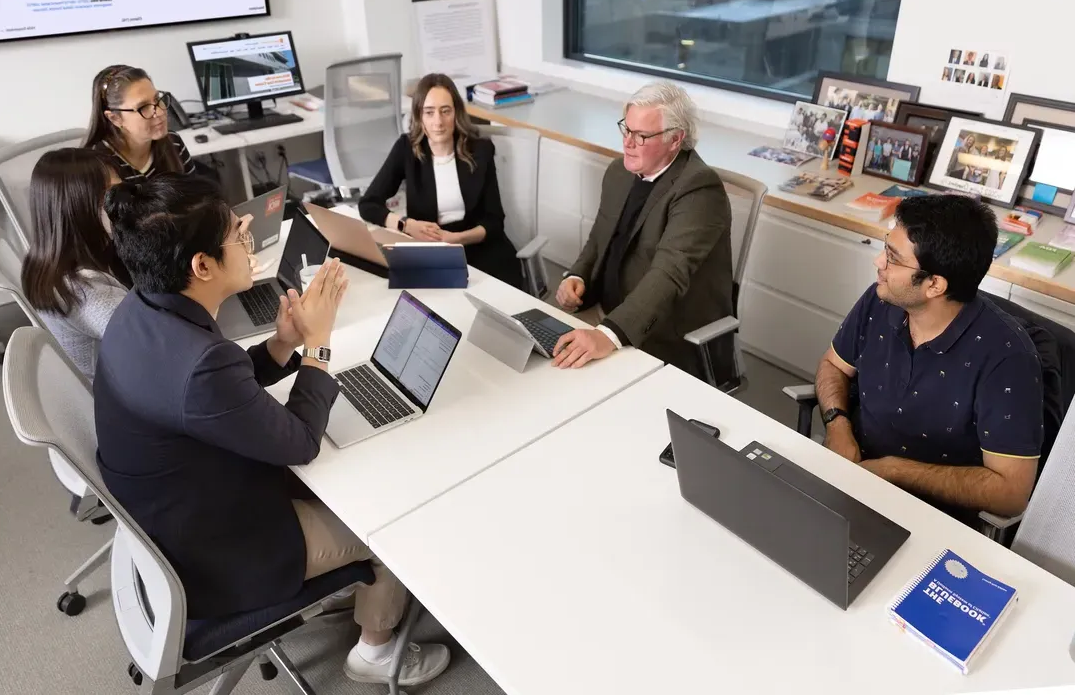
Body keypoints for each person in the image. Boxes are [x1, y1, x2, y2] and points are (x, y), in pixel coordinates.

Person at [95, 175, 449, 687]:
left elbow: (211, 396)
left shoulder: (141, 308)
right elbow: (301, 441)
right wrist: (319, 343)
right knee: (392, 522)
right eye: (238, 234)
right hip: (221, 555)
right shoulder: (200, 364)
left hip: (175, 516)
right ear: (201, 266)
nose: (247, 238)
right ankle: (376, 650)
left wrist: (283, 344)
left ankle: (351, 586)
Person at [815, 195, 1042, 524]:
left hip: (933, 519)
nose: (878, 262)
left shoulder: (1008, 359)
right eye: (885, 248)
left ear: (934, 285)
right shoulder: (881, 299)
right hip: (851, 480)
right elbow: (833, 365)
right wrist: (837, 425)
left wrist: (893, 470)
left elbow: (1011, 493)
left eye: (893, 258)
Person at [553, 81, 732, 378]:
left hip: (661, 332)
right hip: (606, 312)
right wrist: (577, 274)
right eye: (626, 129)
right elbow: (599, 238)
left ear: (675, 139)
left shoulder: (699, 189)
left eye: (642, 135)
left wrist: (608, 335)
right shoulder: (619, 172)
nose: (628, 143)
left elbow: (668, 275)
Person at [358, 73, 523, 288]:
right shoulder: (406, 149)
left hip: (478, 246)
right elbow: (368, 204)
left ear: (456, 113)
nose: (438, 121)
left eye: (445, 111)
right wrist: (405, 225)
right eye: (429, 112)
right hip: (430, 247)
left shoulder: (480, 150)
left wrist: (457, 239)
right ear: (419, 116)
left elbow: (494, 221)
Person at [20, 148, 130, 382]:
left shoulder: (46, 259)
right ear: (76, 207)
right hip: (124, 394)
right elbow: (162, 351)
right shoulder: (90, 294)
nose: (124, 203)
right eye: (111, 194)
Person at [83, 65, 195, 182]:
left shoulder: (174, 142)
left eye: (157, 99)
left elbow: (199, 197)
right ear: (115, 118)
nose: (160, 112)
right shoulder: (97, 168)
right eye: (143, 107)